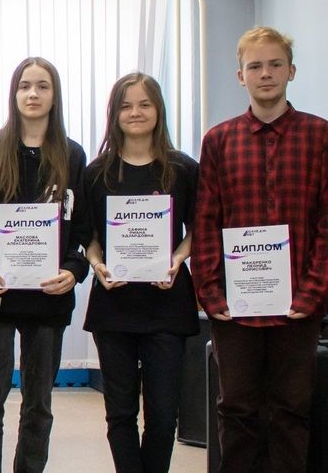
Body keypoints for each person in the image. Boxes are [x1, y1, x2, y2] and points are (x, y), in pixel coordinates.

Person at [192, 26, 328, 473]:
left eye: (274, 65)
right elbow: (206, 222)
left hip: (299, 305)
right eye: (255, 66)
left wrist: (312, 293)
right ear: (241, 76)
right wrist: (211, 294)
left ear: (291, 71)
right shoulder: (219, 140)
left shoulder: (320, 136)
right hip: (235, 308)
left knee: (292, 409)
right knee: (237, 410)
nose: (265, 73)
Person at [0, 57, 90, 473]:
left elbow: (83, 228)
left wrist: (73, 270)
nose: (33, 94)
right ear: (14, 93)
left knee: (39, 405)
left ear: (55, 96)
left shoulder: (72, 155)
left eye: (42, 86)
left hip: (49, 300)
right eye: (25, 86)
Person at [81, 73, 198, 473]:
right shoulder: (96, 172)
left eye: (144, 104)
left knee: (163, 416)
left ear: (158, 110)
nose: (135, 113)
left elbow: (197, 229)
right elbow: (89, 237)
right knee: (120, 413)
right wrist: (97, 265)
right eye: (126, 105)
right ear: (114, 113)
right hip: (114, 307)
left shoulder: (183, 169)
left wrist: (178, 259)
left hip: (167, 305)